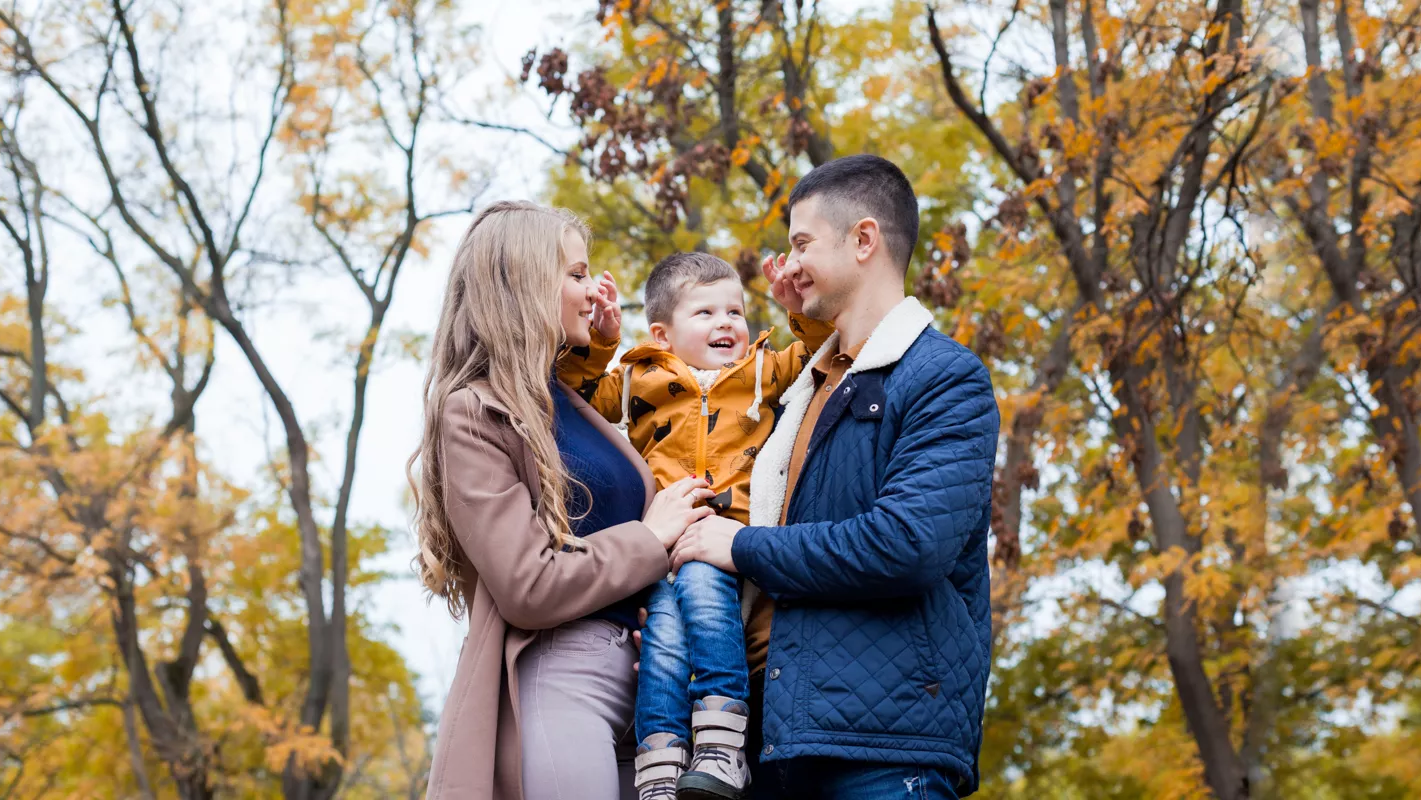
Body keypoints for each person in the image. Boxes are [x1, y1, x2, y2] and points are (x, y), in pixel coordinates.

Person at [668, 155, 1000, 799]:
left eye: (802, 244)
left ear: (863, 240)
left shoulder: (943, 377)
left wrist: (739, 547)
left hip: (883, 745)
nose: (789, 265)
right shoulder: (802, 388)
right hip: (773, 735)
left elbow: (907, 543)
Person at [410, 201, 718, 800]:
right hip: (563, 677)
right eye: (577, 274)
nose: (594, 290)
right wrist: (649, 538)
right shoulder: (473, 412)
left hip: (649, 688)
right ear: (527, 285)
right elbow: (528, 584)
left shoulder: (570, 403)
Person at [554, 251, 832, 800]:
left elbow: (817, 351)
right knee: (662, 640)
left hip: (722, 533)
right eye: (705, 313)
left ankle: (723, 742)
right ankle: (660, 762)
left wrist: (797, 305)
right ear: (662, 333)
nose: (725, 323)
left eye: (734, 311)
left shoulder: (761, 371)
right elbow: (577, 392)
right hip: (661, 540)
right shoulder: (639, 378)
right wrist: (603, 341)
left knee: (705, 603)